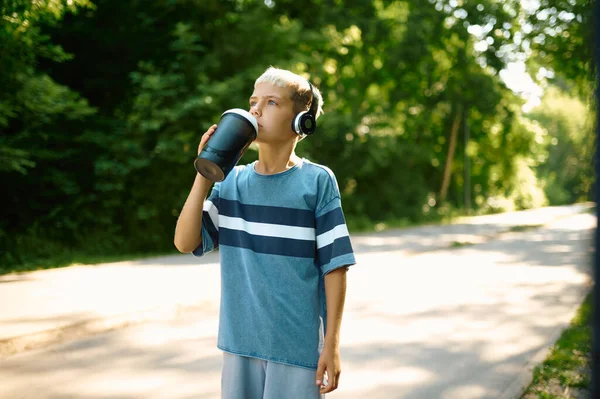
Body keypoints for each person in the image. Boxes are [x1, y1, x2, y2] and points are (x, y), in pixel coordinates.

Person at [174, 66, 356, 398]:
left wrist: (331, 346)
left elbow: (335, 266)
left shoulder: (317, 182)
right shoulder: (231, 182)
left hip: (297, 349)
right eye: (253, 101)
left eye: (271, 103)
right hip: (239, 344)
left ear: (301, 123)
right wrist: (206, 168)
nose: (256, 109)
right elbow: (186, 241)